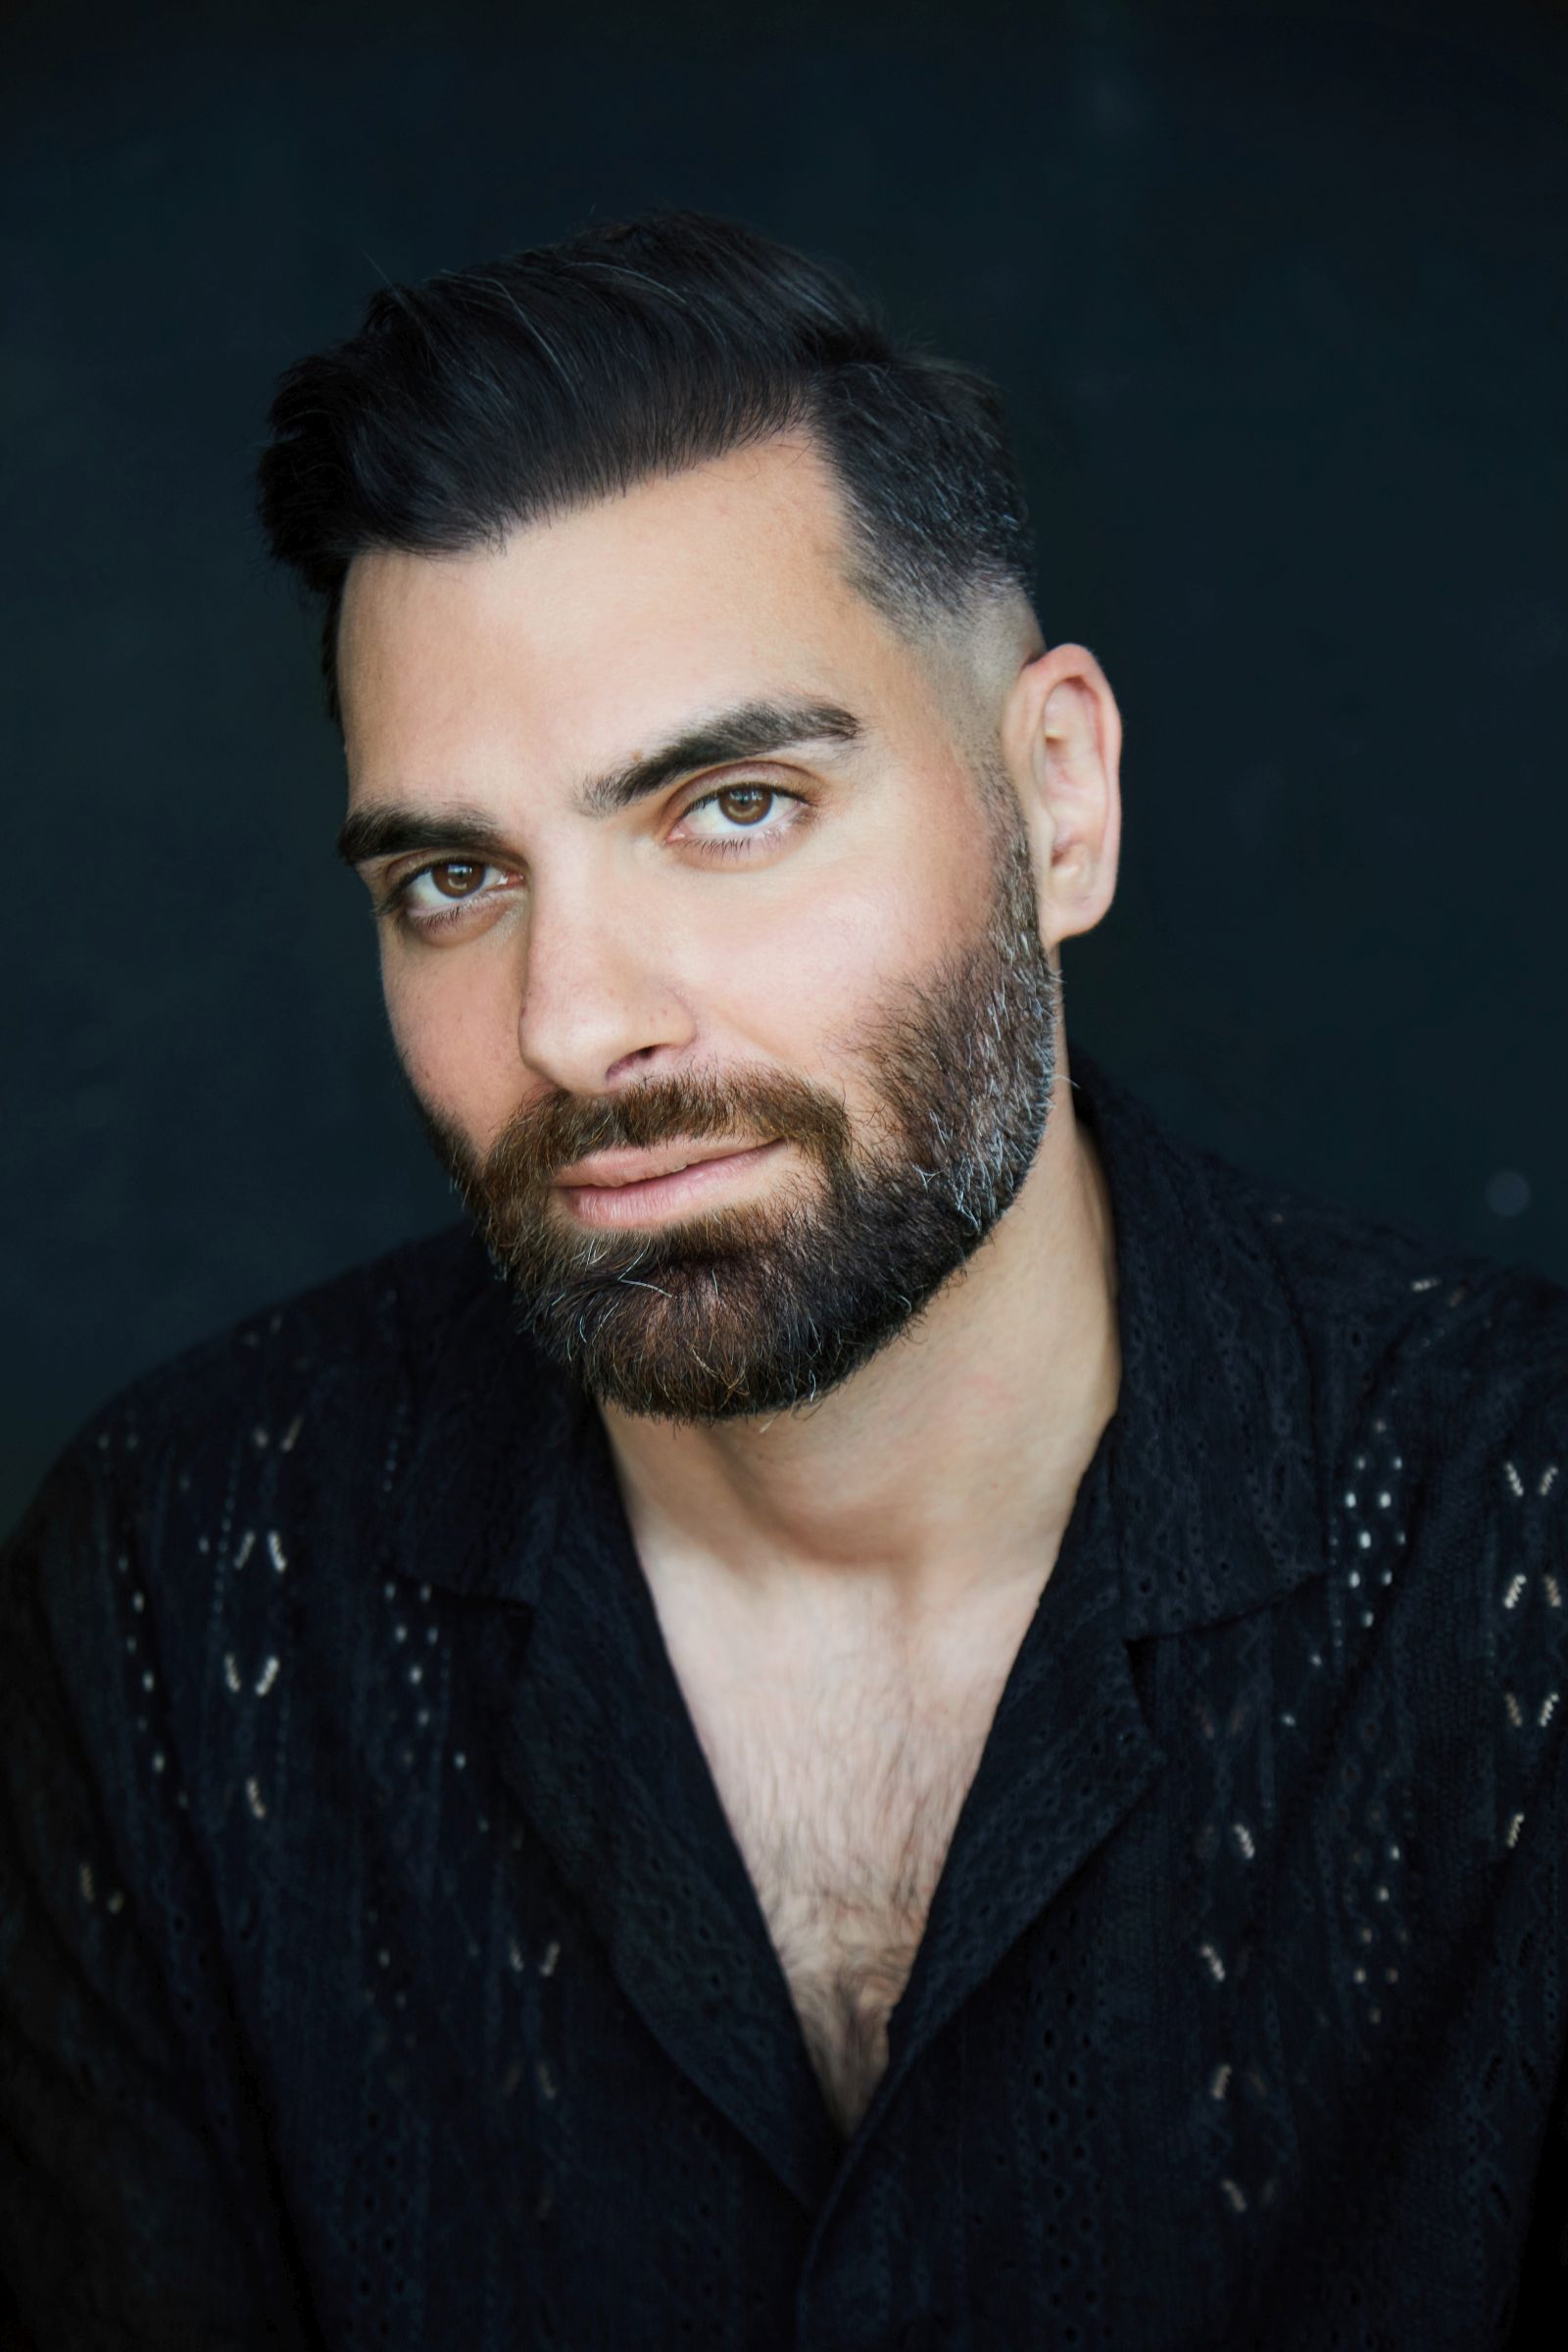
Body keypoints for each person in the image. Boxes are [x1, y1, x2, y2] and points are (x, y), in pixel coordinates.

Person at [2, 208, 1564, 2352]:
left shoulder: (1522, 1555)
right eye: (453, 877)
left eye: (732, 808)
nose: (574, 1025)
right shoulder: (179, 1596)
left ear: (1058, 800)